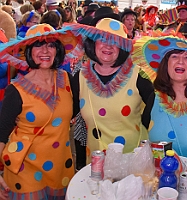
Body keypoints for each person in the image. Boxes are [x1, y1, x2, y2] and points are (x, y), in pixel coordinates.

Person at [0, 23, 82, 199]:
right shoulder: (16, 91)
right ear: (29, 51)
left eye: (51, 45)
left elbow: (73, 113)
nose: (45, 51)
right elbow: (1, 134)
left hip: (61, 168)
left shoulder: (68, 80)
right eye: (38, 45)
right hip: (24, 170)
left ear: (57, 50)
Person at [69, 18, 154, 166]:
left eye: (115, 41)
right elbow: (68, 112)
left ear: (122, 47)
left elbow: (157, 107)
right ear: (93, 43)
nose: (108, 46)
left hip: (133, 162)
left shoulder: (138, 75)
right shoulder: (80, 77)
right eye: (102, 39)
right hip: (96, 164)